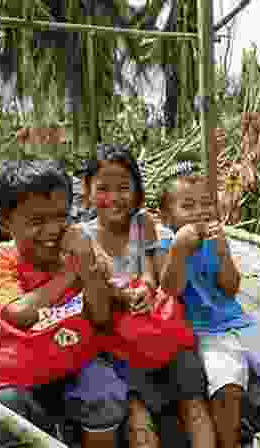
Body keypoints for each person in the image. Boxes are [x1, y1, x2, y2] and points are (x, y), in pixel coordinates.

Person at [0, 160, 126, 448]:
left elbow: (102, 317)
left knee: (104, 390)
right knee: (5, 409)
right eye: (36, 221)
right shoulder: (0, 259)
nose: (53, 229)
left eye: (61, 217)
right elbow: (20, 314)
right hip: (14, 372)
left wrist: (88, 266)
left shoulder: (82, 249)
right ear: (6, 224)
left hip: (70, 362)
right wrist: (71, 272)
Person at [156, 155, 260, 448]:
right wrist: (180, 250)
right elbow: (170, 289)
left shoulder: (217, 240)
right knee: (228, 383)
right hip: (202, 331)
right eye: (187, 206)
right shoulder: (166, 246)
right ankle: (230, 442)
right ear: (167, 217)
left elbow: (231, 288)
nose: (199, 213)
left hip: (239, 322)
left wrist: (222, 253)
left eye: (206, 204)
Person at [79, 143, 216, 448]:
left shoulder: (143, 224)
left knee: (193, 404)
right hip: (117, 342)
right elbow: (94, 292)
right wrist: (122, 296)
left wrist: (146, 287)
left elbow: (156, 275)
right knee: (138, 418)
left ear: (138, 191)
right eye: (103, 188)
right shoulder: (82, 238)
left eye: (124, 187)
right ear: (87, 191)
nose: (114, 197)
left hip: (163, 331)